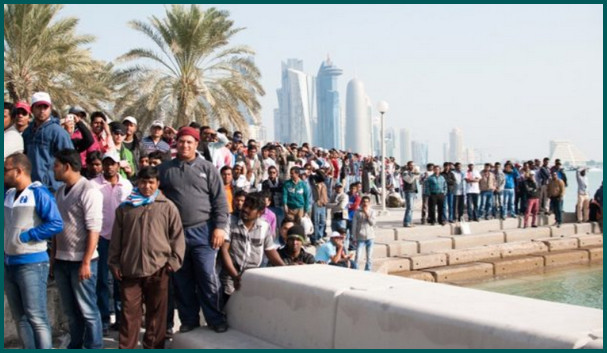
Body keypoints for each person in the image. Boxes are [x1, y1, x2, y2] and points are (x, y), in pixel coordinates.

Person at [156, 126, 229, 333]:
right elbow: (150, 192)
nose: (185, 145)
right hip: (175, 235)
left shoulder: (207, 168)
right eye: (181, 141)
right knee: (182, 280)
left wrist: (219, 228)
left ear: (196, 144)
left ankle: (215, 318)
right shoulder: (166, 169)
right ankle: (189, 320)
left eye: (189, 142)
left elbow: (220, 202)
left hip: (204, 231)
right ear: (175, 143)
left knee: (207, 277)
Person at [109, 167, 185, 349]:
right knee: (129, 315)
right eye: (143, 182)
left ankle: (153, 347)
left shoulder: (167, 206)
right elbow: (116, 239)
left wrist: (172, 263)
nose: (147, 186)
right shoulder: (125, 208)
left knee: (156, 315)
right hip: (130, 269)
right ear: (138, 183)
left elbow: (177, 237)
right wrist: (114, 262)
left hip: (159, 268)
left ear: (157, 184)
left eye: (151, 182)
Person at [4, 153, 63, 349]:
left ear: (19, 171)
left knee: (37, 317)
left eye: (6, 170)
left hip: (32, 263)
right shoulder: (9, 194)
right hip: (10, 263)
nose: (3, 173)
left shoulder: (39, 193)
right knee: (20, 318)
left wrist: (28, 235)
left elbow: (55, 223)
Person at [52, 148, 104, 349]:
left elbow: (94, 229)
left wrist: (85, 262)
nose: (53, 170)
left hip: (83, 261)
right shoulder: (59, 192)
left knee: (88, 310)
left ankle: (94, 346)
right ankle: (75, 344)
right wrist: (54, 257)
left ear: (67, 166)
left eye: (56, 165)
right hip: (62, 260)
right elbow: (57, 227)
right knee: (70, 311)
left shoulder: (88, 191)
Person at [91, 151, 133, 335]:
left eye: (112, 163)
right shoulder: (92, 185)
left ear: (118, 165)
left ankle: (121, 318)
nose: (109, 167)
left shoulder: (127, 185)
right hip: (101, 238)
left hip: (123, 240)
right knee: (101, 280)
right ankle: (104, 319)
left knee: (120, 280)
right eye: (106, 163)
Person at [220, 192, 285, 306]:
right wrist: (235, 276)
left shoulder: (264, 227)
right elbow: (224, 250)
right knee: (228, 308)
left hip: (252, 276)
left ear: (259, 213)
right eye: (246, 205)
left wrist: (286, 270)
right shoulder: (230, 221)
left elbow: (270, 252)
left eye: (251, 208)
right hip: (231, 275)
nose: (245, 209)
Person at [22, 92, 74, 192]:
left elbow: (70, 159)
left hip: (52, 188)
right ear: (32, 109)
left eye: (45, 107)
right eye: (38, 107)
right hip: (30, 187)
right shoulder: (27, 132)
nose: (42, 111)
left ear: (50, 109)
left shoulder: (58, 132)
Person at [352, 196, 377, 271]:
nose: (365, 203)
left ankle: (368, 270)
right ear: (361, 202)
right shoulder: (357, 212)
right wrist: (354, 237)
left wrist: (367, 214)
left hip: (370, 236)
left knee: (369, 256)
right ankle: (356, 270)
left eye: (367, 202)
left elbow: (372, 223)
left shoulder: (372, 211)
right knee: (358, 256)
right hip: (360, 237)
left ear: (369, 203)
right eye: (364, 201)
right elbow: (354, 225)